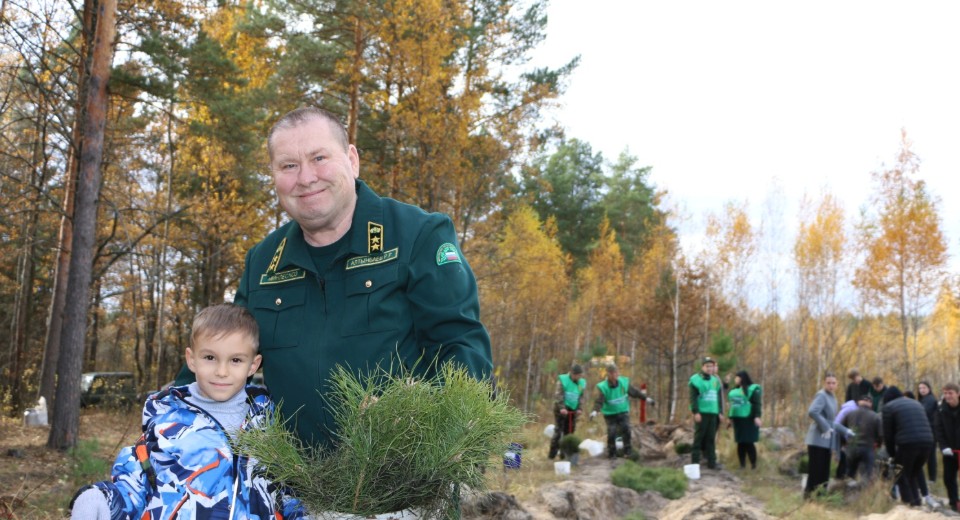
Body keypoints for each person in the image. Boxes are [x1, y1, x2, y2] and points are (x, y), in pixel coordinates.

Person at [174, 107, 493, 454]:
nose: (306, 178)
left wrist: (433, 437)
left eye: (319, 157)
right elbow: (223, 351)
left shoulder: (417, 235)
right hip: (289, 487)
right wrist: (169, 421)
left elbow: (461, 348)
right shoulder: (264, 261)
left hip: (400, 484)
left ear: (352, 159)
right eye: (288, 166)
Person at [70, 304, 306, 519]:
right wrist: (99, 498)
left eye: (235, 360)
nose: (221, 371)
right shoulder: (166, 420)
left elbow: (285, 492)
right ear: (191, 360)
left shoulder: (269, 422)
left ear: (253, 366)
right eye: (210, 357)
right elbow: (133, 486)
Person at [882, 385, 935, 508]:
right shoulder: (916, 403)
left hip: (908, 443)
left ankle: (909, 506)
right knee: (912, 474)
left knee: (900, 474)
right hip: (928, 442)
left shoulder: (888, 407)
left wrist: (892, 455)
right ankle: (916, 503)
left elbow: (888, 435)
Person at [804, 372, 853, 499]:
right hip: (817, 439)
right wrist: (825, 427)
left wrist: (845, 430)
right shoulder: (822, 395)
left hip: (826, 441)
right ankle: (809, 498)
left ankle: (820, 496)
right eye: (828, 383)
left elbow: (832, 422)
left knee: (824, 472)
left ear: (837, 384)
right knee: (816, 471)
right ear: (824, 383)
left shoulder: (833, 397)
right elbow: (812, 411)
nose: (831, 385)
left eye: (833, 383)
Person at [590, 363, 654, 459]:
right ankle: (612, 453)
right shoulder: (603, 387)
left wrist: (646, 399)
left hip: (623, 411)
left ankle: (627, 451)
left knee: (626, 428)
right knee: (612, 432)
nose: (614, 375)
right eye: (611, 373)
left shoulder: (623, 382)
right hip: (610, 414)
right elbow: (599, 401)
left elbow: (635, 393)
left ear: (618, 372)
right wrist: (595, 411)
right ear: (608, 374)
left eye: (616, 372)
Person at [689, 356, 725, 470]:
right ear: (703, 367)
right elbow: (693, 398)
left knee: (711, 439)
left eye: (711, 366)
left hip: (713, 413)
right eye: (707, 366)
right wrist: (696, 412)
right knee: (699, 438)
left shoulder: (715, 380)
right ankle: (695, 463)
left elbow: (718, 398)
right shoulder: (696, 380)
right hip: (702, 413)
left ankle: (712, 462)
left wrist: (720, 412)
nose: (710, 368)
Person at [840, 394, 883, 483]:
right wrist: (878, 444)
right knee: (866, 476)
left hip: (852, 447)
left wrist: (843, 443)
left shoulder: (850, 414)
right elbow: (881, 435)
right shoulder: (875, 416)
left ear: (859, 403)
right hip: (868, 448)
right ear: (871, 404)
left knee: (850, 474)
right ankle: (864, 495)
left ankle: (848, 493)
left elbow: (841, 429)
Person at [549, 364, 587, 460]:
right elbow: (559, 395)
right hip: (561, 409)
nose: (579, 377)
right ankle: (552, 455)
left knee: (569, 432)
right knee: (558, 432)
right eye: (577, 375)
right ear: (572, 374)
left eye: (580, 375)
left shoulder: (581, 383)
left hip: (573, 410)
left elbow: (581, 396)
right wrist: (562, 408)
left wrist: (580, 408)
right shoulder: (563, 380)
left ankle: (564, 455)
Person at [727, 370, 762, 469]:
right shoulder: (734, 391)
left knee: (749, 443)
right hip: (738, 420)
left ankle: (753, 465)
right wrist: (730, 419)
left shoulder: (752, 389)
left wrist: (757, 416)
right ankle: (742, 465)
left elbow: (757, 404)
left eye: (737, 377)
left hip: (749, 419)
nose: (735, 379)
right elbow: (733, 406)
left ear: (742, 378)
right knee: (740, 443)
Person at [934, 383, 960, 511]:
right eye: (945, 393)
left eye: (950, 393)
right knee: (948, 478)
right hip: (949, 451)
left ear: (957, 393)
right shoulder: (941, 410)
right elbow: (938, 429)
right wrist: (943, 446)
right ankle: (954, 503)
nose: (948, 396)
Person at [918, 380, 939, 483]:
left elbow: (923, 412)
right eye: (920, 388)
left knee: (930, 455)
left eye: (924, 388)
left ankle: (932, 478)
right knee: (928, 455)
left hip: (931, 430)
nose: (921, 390)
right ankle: (930, 478)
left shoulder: (930, 399)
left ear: (929, 389)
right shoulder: (923, 400)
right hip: (927, 430)